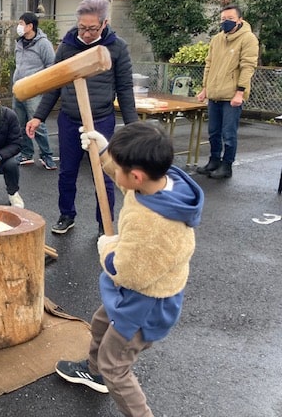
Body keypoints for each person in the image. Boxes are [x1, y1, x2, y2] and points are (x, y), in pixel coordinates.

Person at [56, 121, 204, 417]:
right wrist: (105, 150)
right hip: (135, 291)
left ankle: (122, 393)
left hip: (145, 303)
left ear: (136, 176)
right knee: (100, 322)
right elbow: (124, 176)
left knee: (116, 366)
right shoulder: (161, 182)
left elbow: (128, 273)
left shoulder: (154, 223)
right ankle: (93, 372)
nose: (118, 177)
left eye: (121, 169)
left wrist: (107, 247)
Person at [26, 0, 138, 235]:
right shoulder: (67, 46)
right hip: (69, 119)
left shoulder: (117, 47)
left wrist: (133, 127)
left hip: (101, 120)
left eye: (92, 29)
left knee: (104, 174)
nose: (86, 34)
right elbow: (55, 84)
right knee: (67, 172)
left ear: (104, 23)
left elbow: (125, 89)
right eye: (82, 28)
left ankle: (104, 223)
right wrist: (38, 117)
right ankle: (67, 215)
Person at [196, 4, 259, 179]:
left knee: (228, 133)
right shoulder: (217, 39)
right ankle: (214, 160)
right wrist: (205, 88)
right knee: (213, 131)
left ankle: (227, 165)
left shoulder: (248, 39)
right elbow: (209, 64)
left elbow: (248, 66)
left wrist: (240, 92)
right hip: (215, 93)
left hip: (232, 95)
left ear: (240, 20)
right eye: (223, 19)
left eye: (230, 19)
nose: (226, 22)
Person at [12, 11, 57, 170]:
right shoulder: (19, 42)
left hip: (35, 91)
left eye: (21, 24)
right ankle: (26, 153)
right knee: (20, 123)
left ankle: (47, 155)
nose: (19, 26)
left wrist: (42, 85)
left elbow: (51, 66)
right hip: (18, 89)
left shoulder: (43, 44)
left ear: (30, 26)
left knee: (37, 125)